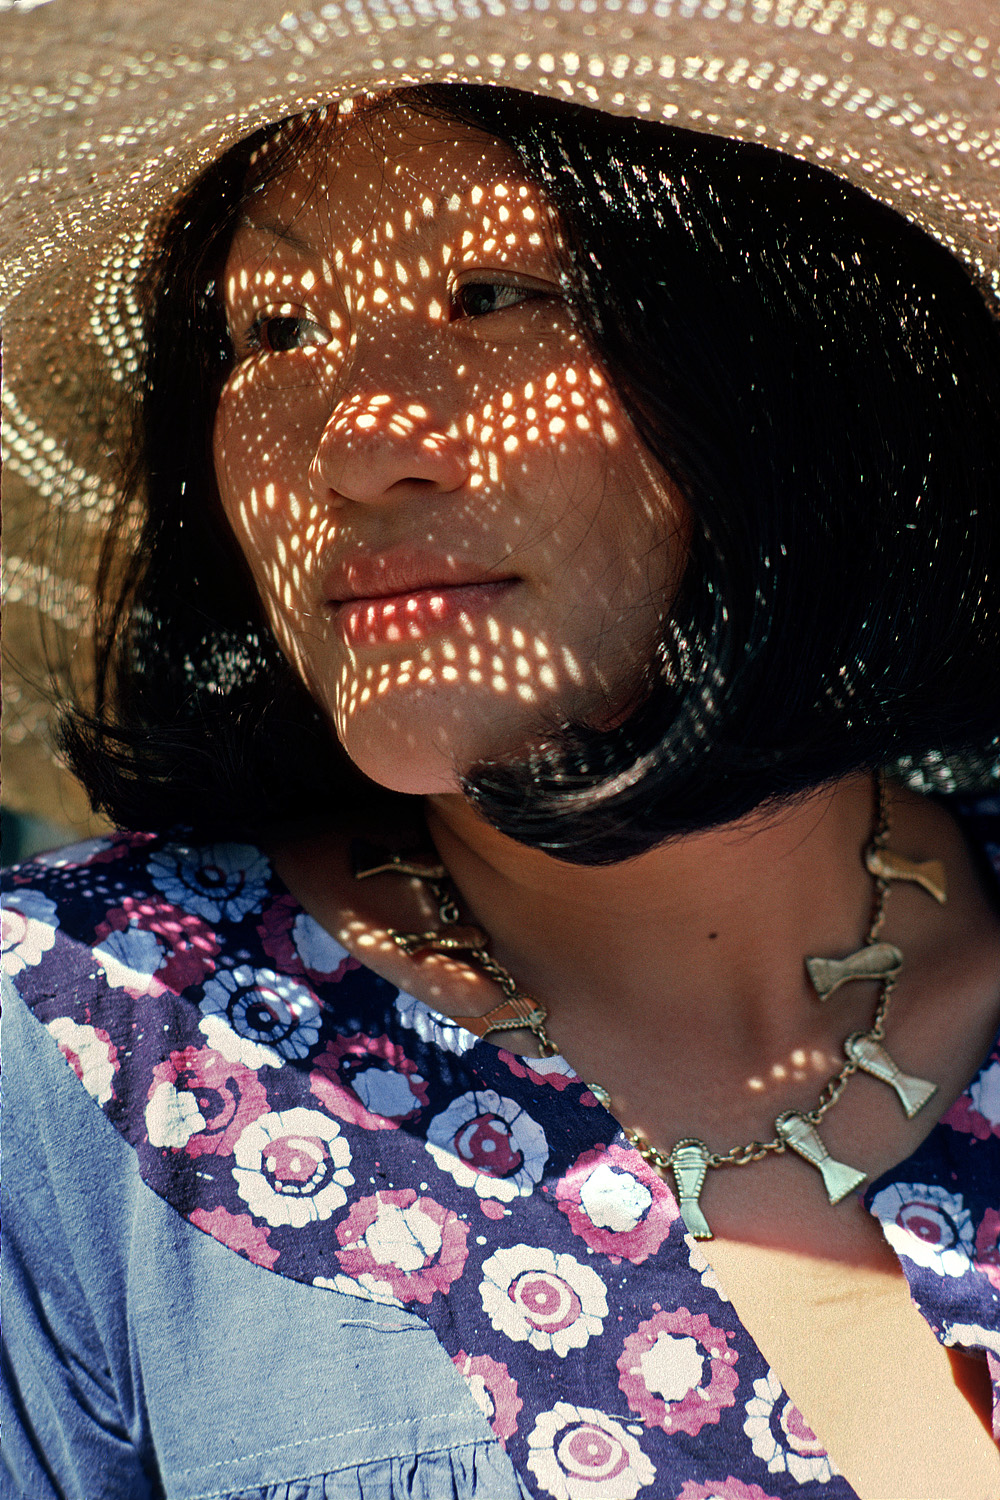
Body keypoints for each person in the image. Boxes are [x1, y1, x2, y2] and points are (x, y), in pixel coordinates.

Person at [3, 62, 1000, 1500]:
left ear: (808, 352)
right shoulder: (89, 1030)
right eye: (273, 330)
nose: (355, 440)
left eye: (492, 299)